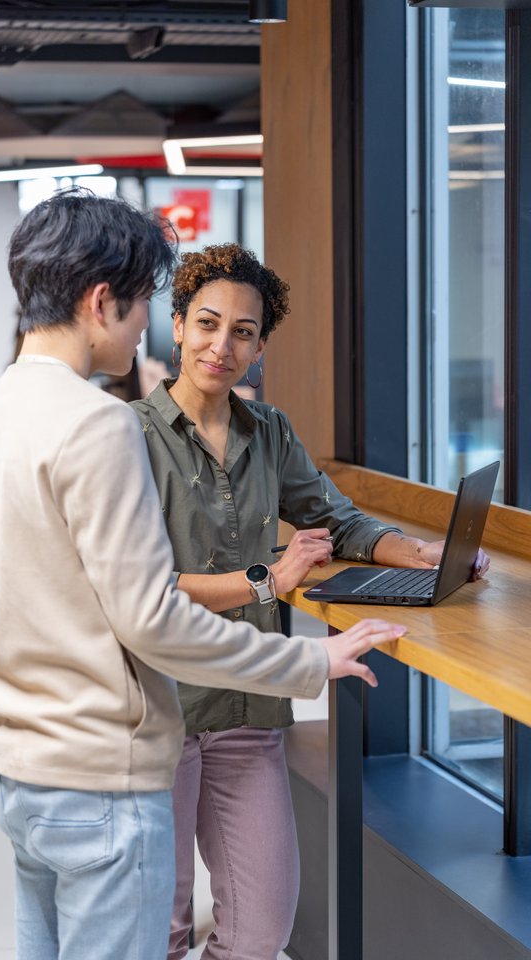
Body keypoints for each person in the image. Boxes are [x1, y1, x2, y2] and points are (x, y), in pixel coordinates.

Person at [0, 190, 405, 960]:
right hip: (103, 774)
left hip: (23, 770)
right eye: (144, 308)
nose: (145, 328)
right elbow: (152, 618)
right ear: (101, 301)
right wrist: (308, 659)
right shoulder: (98, 423)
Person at [130, 242, 490, 960]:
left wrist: (413, 551)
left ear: (261, 344)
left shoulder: (270, 433)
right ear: (176, 324)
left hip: (249, 703)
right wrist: (267, 578)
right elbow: (141, 586)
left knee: (261, 929)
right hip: (161, 713)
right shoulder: (127, 439)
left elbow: (340, 521)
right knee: (154, 935)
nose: (221, 345)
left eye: (243, 332)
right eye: (206, 323)